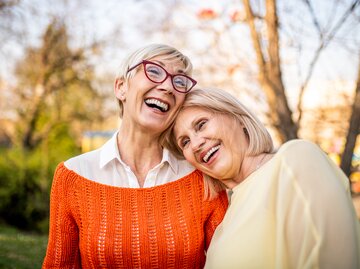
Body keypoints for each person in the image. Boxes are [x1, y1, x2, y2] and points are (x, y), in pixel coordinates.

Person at [42, 45, 228, 268]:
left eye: (179, 82)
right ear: (121, 87)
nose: (168, 87)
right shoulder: (73, 176)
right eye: (155, 71)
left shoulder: (202, 178)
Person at [165, 87, 360, 269]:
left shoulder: (294, 160)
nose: (196, 143)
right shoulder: (223, 222)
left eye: (201, 124)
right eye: (185, 142)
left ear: (238, 118)